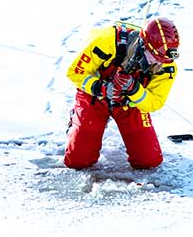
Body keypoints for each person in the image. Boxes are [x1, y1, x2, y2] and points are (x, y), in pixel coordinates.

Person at [64, 17, 180, 170]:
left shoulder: (166, 68)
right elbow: (75, 72)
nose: (157, 63)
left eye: (163, 59)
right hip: (94, 99)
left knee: (149, 162)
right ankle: (77, 120)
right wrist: (102, 88)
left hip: (129, 106)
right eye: (154, 57)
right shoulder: (107, 41)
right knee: (78, 161)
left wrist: (133, 89)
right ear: (143, 44)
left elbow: (155, 102)